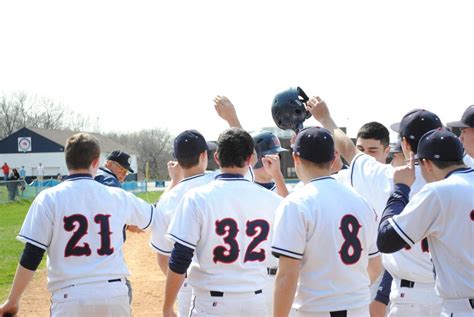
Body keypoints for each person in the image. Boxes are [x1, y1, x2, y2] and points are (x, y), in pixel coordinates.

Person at [306, 98, 444, 317]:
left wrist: (325, 118)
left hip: (408, 296)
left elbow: (348, 150)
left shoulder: (387, 177)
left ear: (405, 145)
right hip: (451, 294)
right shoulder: (460, 181)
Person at [0, 133, 154, 317]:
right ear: (97, 162)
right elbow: (156, 218)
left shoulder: (48, 198)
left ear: (67, 161)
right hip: (114, 294)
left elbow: (32, 254)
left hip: (69, 297)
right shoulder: (117, 195)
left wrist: (13, 300)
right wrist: (177, 181)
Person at [162, 128, 282, 317]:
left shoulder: (197, 198)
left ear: (217, 158)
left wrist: (167, 306)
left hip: (212, 304)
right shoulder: (274, 201)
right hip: (256, 302)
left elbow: (180, 257)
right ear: (251, 159)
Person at [272, 127, 381, 317]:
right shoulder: (362, 202)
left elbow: (286, 275)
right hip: (358, 309)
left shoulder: (296, 203)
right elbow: (375, 266)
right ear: (333, 160)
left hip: (316, 310)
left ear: (296, 158)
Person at [377, 128, 473, 317]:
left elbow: (386, 240)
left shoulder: (439, 192)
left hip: (462, 308)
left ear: (426, 164)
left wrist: (400, 189)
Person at [150, 129, 216, 317]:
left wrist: (182, 283)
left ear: (177, 160)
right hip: (226, 278)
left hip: (186, 282)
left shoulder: (168, 199)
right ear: (204, 155)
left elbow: (163, 257)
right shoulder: (219, 180)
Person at [94, 150, 141, 234]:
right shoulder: (110, 180)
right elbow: (111, 214)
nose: (123, 175)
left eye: (125, 172)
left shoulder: (94, 174)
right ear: (109, 164)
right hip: (104, 238)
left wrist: (127, 226)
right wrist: (127, 225)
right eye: (121, 169)